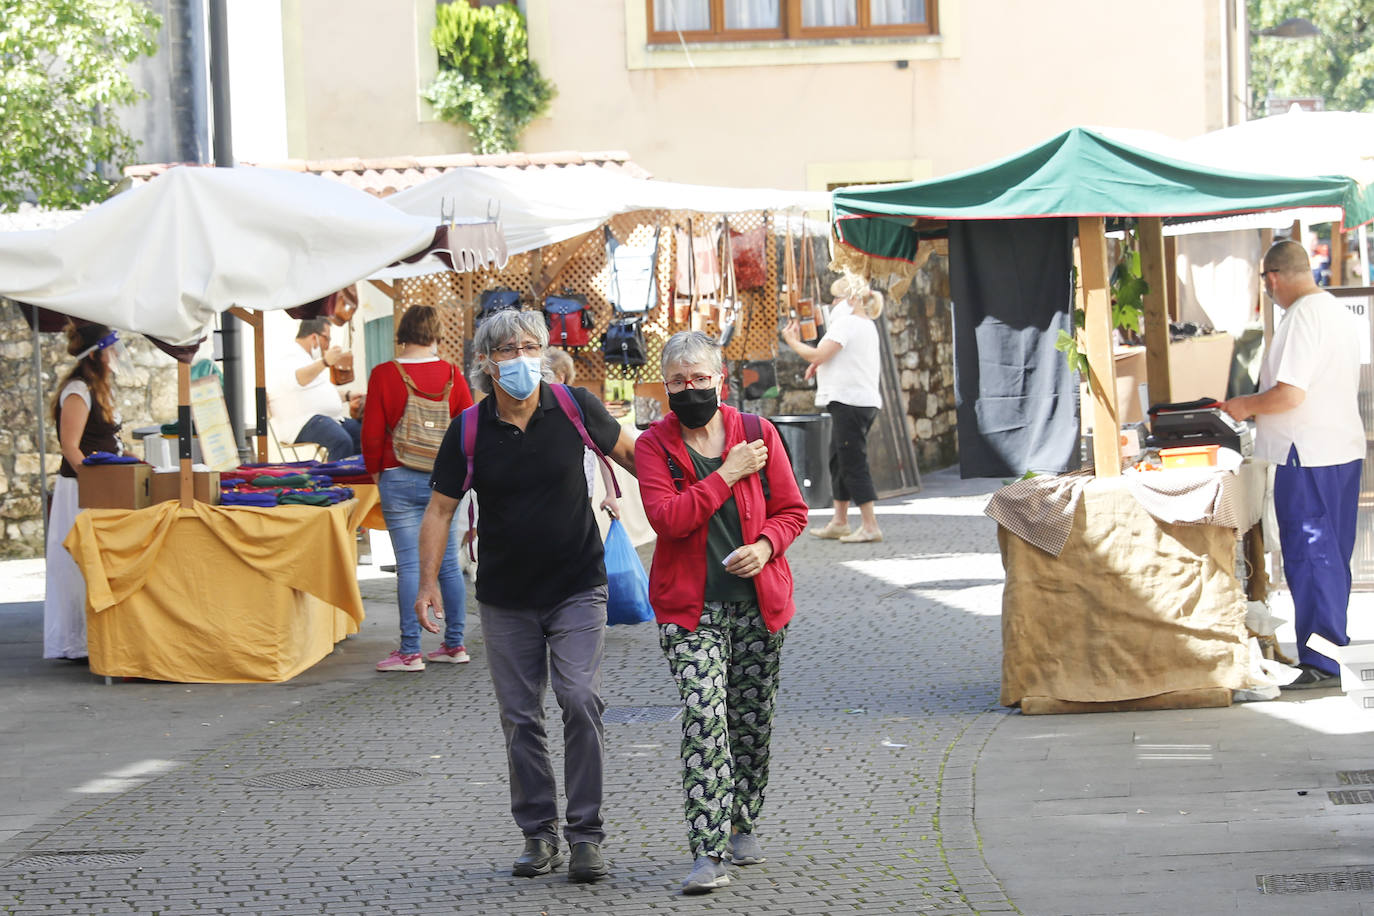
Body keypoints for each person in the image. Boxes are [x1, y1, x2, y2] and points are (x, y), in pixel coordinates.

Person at [415, 309, 636, 883]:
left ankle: (586, 835)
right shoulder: (468, 428)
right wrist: (427, 583)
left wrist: (703, 484)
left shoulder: (574, 407)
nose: (521, 357)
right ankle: (539, 835)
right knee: (520, 717)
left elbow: (638, 455)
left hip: (577, 587)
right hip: (506, 596)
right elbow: (439, 508)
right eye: (508, 349)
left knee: (581, 698)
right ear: (487, 362)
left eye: (530, 345)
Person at [634, 331, 808, 894]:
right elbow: (669, 520)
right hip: (690, 612)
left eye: (700, 379)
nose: (690, 389)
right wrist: (727, 474)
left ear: (719, 381)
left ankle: (742, 820)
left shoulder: (758, 434)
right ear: (666, 387)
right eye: (679, 381)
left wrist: (765, 547)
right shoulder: (654, 446)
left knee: (750, 725)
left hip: (757, 607)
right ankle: (707, 853)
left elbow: (793, 511)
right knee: (705, 720)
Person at [1222, 239, 1363, 689]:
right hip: (1334, 449)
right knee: (1330, 556)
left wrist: (1243, 405)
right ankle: (1330, 650)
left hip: (1307, 455)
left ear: (1273, 278)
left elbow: (1290, 393)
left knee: (1313, 554)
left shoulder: (1303, 315)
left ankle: (1322, 659)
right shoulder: (1334, 310)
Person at [361, 306, 474, 672]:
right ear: (436, 334)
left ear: (404, 332)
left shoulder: (383, 374)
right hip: (444, 481)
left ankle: (410, 651)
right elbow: (468, 426)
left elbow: (372, 433)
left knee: (410, 565)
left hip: (398, 473)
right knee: (447, 567)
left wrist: (378, 474)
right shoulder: (453, 374)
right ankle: (454, 644)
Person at [45, 323, 130, 660]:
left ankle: (93, 636)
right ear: (96, 353)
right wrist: (93, 483)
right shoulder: (78, 390)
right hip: (79, 491)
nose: (115, 357)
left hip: (97, 487)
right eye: (110, 350)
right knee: (77, 562)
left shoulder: (97, 388)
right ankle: (76, 640)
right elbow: (70, 446)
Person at [782, 276, 885, 543]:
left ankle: (870, 524)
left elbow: (819, 354)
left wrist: (792, 341)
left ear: (850, 299)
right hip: (859, 400)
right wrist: (819, 365)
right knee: (839, 459)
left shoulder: (847, 323)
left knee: (852, 463)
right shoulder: (864, 325)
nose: (833, 303)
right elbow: (840, 357)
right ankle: (840, 521)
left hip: (850, 401)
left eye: (836, 298)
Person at [270, 318, 362, 461]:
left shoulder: (308, 360)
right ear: (314, 337)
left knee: (366, 434)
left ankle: (359, 479)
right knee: (341, 441)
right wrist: (325, 362)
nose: (328, 345)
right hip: (301, 422)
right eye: (327, 339)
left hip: (326, 418)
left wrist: (349, 395)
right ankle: (337, 481)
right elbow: (299, 379)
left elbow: (319, 393)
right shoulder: (290, 356)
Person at [545, 348, 621, 517]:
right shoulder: (536, 410)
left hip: (581, 493)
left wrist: (611, 494)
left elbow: (605, 453)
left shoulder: (578, 408)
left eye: (546, 374)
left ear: (561, 376)